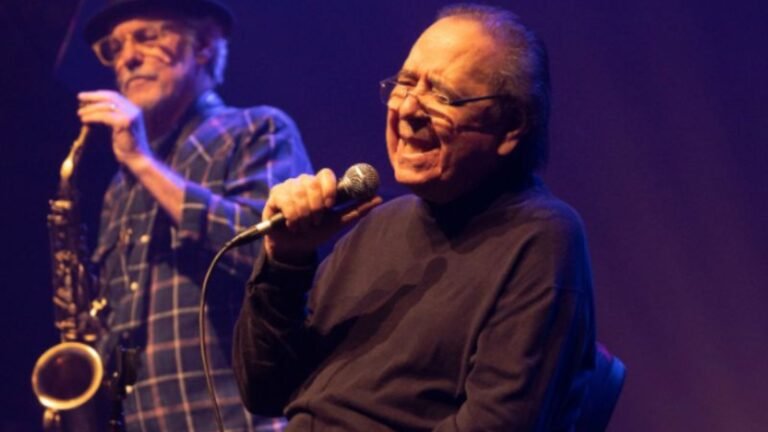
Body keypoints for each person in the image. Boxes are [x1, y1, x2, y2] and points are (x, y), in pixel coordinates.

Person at [233, 3, 596, 431]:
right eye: (404, 84)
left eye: (441, 95)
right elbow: (266, 390)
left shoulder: (541, 238)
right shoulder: (379, 225)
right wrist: (286, 262)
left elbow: (499, 422)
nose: (407, 109)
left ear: (510, 125)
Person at [77, 0, 313, 430]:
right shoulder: (120, 187)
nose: (128, 57)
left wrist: (143, 162)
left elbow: (271, 254)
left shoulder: (256, 129)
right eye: (115, 47)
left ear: (203, 44)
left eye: (147, 37)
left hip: (239, 420)